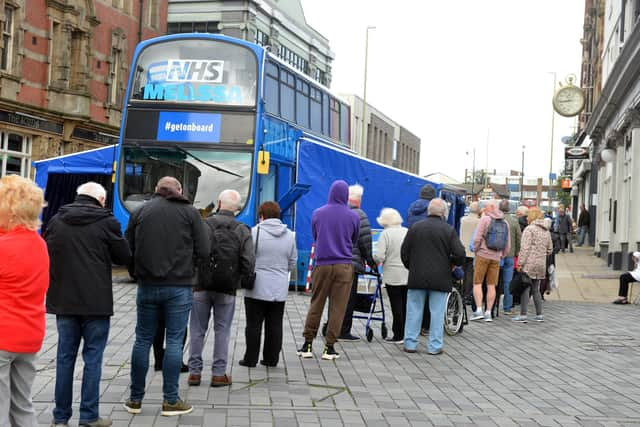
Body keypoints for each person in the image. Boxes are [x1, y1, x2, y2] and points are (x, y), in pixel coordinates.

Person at [46, 182, 131, 427]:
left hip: (64, 300)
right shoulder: (107, 222)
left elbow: (48, 252)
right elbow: (123, 257)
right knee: (92, 358)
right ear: (102, 199)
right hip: (96, 302)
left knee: (64, 358)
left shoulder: (57, 221)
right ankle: (89, 416)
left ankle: (60, 417)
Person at [124, 177, 208, 417]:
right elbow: (203, 249)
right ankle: (171, 400)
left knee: (142, 340)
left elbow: (127, 248)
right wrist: (190, 270)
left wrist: (136, 273)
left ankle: (135, 400)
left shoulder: (140, 212)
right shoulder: (190, 212)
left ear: (156, 190)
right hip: (179, 286)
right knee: (173, 341)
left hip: (147, 285)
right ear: (178, 191)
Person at [188, 189, 254, 387]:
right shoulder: (242, 229)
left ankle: (194, 373)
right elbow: (249, 261)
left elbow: (193, 252)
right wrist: (240, 280)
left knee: (197, 330)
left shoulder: (204, 224)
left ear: (218, 203)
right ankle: (218, 374)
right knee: (222, 330)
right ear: (238, 209)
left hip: (201, 285)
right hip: (227, 287)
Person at [0, 176, 49, 427]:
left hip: (2, 336)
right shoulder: (39, 244)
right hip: (29, 336)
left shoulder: (3, 246)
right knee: (22, 405)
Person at [297, 180, 359, 360]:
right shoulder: (353, 216)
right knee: (338, 308)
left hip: (322, 264)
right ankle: (329, 347)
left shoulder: (318, 213)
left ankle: (307, 344)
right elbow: (353, 240)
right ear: (346, 195)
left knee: (316, 304)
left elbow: (316, 236)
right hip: (344, 265)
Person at [400, 198, 465, 354]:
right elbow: (460, 254)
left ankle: (410, 343)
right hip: (440, 277)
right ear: (444, 213)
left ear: (428, 211)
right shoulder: (448, 230)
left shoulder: (415, 228)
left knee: (413, 311)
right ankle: (435, 346)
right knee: (436, 313)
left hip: (417, 276)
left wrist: (412, 266)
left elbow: (404, 253)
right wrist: (452, 264)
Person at [240, 201, 297, 367]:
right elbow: (292, 261)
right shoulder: (289, 235)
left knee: (253, 324)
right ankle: (271, 359)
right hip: (279, 287)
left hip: (257, 286)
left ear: (261, 216)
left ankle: (250, 359)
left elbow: (247, 258)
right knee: (275, 324)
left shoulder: (254, 232)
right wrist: (280, 272)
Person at [340, 184, 377, 341]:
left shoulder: (338, 211)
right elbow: (365, 241)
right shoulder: (359, 215)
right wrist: (371, 261)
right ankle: (344, 330)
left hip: (335, 261)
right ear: (359, 199)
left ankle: (331, 325)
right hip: (352, 264)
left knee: (336, 297)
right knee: (348, 298)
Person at [471, 199, 510, 322]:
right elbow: (508, 245)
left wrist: (476, 250)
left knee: (477, 283)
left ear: (492, 207)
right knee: (491, 285)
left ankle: (478, 310)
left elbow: (477, 238)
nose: (486, 208)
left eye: (487, 206)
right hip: (496, 257)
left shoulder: (485, 219)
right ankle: (488, 312)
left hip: (482, 254)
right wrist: (501, 255)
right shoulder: (505, 223)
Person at [373, 208, 408, 344]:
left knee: (396, 304)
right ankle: (406, 332)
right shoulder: (407, 231)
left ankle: (398, 334)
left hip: (392, 274)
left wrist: (374, 259)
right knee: (405, 304)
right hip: (407, 272)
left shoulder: (385, 234)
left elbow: (380, 257)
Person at [406, 184, 437, 335]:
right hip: (431, 253)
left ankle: (413, 328)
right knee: (430, 292)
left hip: (414, 254)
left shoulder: (412, 207)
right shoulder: (433, 208)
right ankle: (426, 325)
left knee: (415, 296)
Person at [513, 208, 553, 323]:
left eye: (528, 216)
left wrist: (520, 263)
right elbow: (550, 249)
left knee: (525, 288)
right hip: (541, 263)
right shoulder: (546, 231)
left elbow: (525, 249)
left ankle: (523, 315)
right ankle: (539, 315)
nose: (526, 218)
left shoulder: (529, 230)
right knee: (536, 289)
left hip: (529, 263)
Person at [499, 199, 522, 315]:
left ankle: (490, 306)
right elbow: (519, 238)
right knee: (508, 282)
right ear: (509, 209)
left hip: (496, 254)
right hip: (510, 254)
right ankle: (507, 307)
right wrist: (517, 252)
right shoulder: (514, 221)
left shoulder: (495, 219)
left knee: (493, 281)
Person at [459, 202, 481, 304]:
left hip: (462, 249)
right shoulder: (479, 222)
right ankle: (467, 295)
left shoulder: (462, 220)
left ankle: (461, 292)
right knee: (470, 274)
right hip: (473, 251)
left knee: (462, 273)